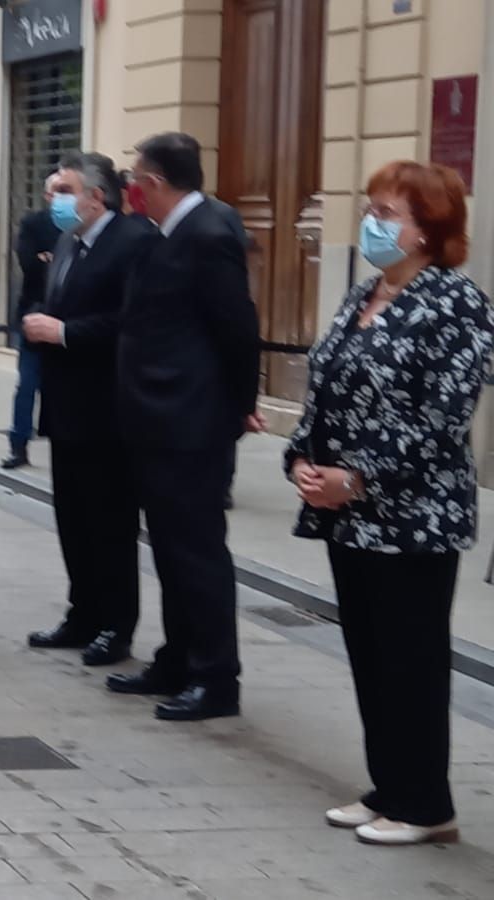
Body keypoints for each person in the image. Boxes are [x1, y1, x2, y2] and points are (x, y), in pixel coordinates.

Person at [286, 161, 493, 846]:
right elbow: (326, 386)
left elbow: (441, 417)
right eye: (371, 209)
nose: (372, 222)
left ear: (428, 231)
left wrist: (362, 475)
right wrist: (303, 458)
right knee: (370, 654)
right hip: (349, 513)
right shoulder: (364, 293)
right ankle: (389, 787)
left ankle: (426, 806)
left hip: (415, 515)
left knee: (412, 658)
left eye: (388, 213)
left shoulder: (456, 303)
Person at [106, 132, 260, 721]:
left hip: (190, 422)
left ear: (157, 183)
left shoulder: (210, 234)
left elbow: (237, 328)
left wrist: (240, 405)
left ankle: (216, 676)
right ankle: (176, 658)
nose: (130, 186)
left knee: (196, 553)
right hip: (156, 419)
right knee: (169, 550)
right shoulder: (166, 231)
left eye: (135, 176)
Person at [20, 153, 152, 667]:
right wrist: (36, 319)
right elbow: (47, 300)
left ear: (97, 196)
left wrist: (66, 333)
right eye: (53, 190)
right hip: (65, 407)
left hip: (110, 410)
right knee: (72, 518)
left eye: (65, 189)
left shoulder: (133, 242)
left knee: (111, 523)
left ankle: (116, 626)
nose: (55, 200)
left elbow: (134, 322)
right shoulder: (66, 241)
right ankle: (82, 613)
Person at [2, 171, 64, 470]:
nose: (61, 198)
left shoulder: (79, 225)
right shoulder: (33, 223)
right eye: (56, 192)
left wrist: (52, 258)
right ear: (46, 195)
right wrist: (46, 261)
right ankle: (18, 444)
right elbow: (28, 262)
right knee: (27, 383)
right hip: (35, 312)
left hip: (67, 321)